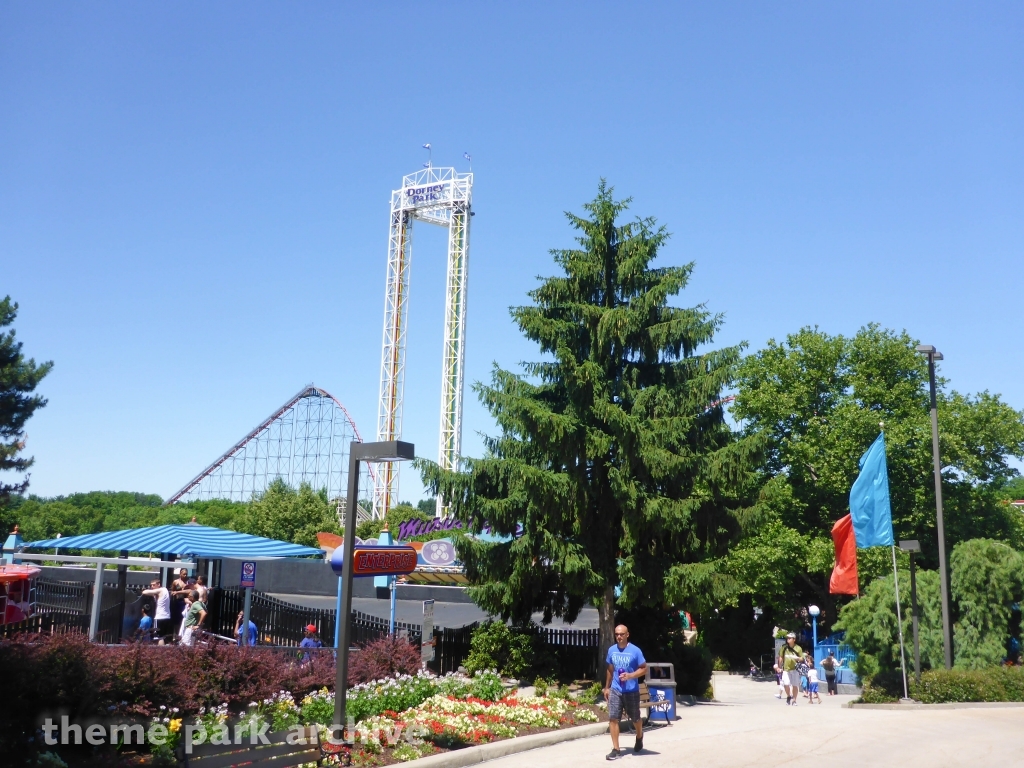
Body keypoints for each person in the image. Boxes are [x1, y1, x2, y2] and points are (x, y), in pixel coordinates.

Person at [604, 624, 647, 760]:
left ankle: (639, 735)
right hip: (616, 689)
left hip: (631, 691)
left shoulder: (635, 651)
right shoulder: (612, 650)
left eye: (622, 634)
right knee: (613, 718)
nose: (619, 637)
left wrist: (630, 676)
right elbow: (610, 669)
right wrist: (607, 687)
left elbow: (644, 669)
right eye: (617, 634)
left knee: (635, 718)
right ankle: (616, 749)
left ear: (627, 635)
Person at [142, 580, 173, 645]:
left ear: (159, 584)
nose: (152, 587)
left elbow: (144, 592)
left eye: (153, 585)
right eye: (151, 585)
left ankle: (159, 653)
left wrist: (145, 590)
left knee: (158, 638)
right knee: (164, 637)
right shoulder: (165, 590)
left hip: (159, 618)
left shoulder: (161, 590)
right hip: (167, 617)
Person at [778, 632, 803, 706]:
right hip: (786, 669)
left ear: (794, 639)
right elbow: (781, 657)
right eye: (787, 638)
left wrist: (798, 658)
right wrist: (779, 666)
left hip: (795, 669)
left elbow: (802, 658)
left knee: (795, 685)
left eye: (789, 638)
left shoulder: (798, 648)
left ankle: (794, 700)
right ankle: (789, 696)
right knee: (786, 684)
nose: (788, 639)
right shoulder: (784, 647)